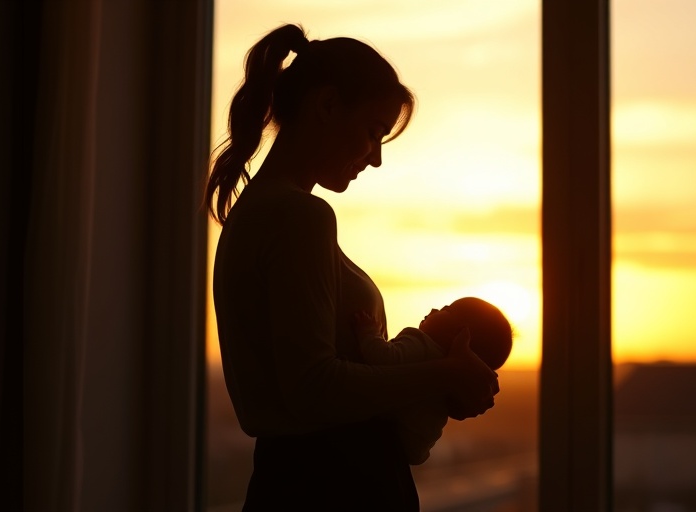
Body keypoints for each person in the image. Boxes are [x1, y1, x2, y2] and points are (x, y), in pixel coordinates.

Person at [205, 23, 500, 511]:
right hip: (334, 483)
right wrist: (445, 374)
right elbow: (314, 388)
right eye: (371, 132)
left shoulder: (258, 212)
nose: (376, 158)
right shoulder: (299, 215)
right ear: (326, 106)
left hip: (299, 479)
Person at [354, 297, 513, 465]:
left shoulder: (421, 345)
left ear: (461, 335)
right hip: (407, 453)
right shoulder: (453, 383)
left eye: (446, 310)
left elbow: (382, 358)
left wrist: (369, 332)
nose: (434, 309)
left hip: (380, 441)